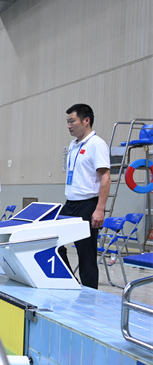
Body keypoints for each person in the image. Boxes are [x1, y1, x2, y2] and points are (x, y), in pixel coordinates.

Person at [57, 104, 110, 289]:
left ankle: (90, 296)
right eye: (67, 122)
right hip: (70, 204)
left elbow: (105, 178)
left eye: (72, 121)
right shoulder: (74, 145)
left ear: (86, 121)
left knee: (86, 254)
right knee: (54, 242)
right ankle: (73, 283)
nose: (69, 125)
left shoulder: (97, 145)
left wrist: (99, 209)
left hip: (88, 205)